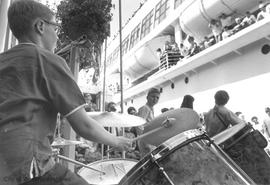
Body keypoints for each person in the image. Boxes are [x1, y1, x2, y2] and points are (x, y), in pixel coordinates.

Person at [0, 1, 132, 185]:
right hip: (26, 165)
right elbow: (83, 126)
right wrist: (117, 141)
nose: (57, 36)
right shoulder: (48, 60)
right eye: (55, 27)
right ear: (40, 26)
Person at [204, 91, 270, 184]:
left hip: (216, 146)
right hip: (228, 145)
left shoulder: (209, 113)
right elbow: (240, 124)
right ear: (226, 100)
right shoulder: (224, 110)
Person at [137, 88, 160, 158]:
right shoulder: (145, 108)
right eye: (153, 96)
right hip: (145, 140)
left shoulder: (151, 109)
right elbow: (139, 126)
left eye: (157, 97)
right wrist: (145, 142)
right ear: (147, 97)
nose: (155, 99)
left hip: (149, 139)